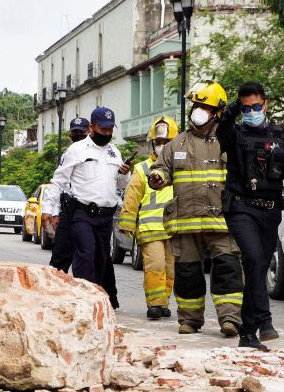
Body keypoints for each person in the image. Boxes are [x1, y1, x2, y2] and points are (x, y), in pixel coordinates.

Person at [148, 80, 244, 337]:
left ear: (218, 112)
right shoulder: (177, 144)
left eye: (205, 107)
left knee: (227, 270)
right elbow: (161, 168)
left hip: (222, 221)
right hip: (186, 221)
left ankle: (230, 319)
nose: (197, 111)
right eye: (195, 106)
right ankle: (189, 320)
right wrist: (157, 177)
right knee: (187, 273)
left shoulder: (231, 141)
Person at [217, 82, 284, 351]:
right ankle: (255, 326)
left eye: (256, 107)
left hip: (271, 211)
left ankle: (258, 326)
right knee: (253, 259)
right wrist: (233, 108)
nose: (251, 112)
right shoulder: (235, 134)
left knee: (259, 268)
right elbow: (222, 129)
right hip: (241, 209)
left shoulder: (279, 136)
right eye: (246, 108)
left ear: (266, 105)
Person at [44, 107, 131, 309]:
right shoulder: (77, 150)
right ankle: (84, 302)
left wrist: (125, 173)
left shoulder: (114, 152)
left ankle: (96, 299)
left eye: (110, 129)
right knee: (86, 254)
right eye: (103, 129)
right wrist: (48, 208)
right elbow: (59, 181)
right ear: (91, 127)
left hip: (105, 217)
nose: (107, 133)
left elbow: (120, 185)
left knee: (101, 259)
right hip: (82, 213)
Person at [118, 116, 178, 320]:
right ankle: (154, 304)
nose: (162, 146)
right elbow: (132, 197)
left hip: (174, 229)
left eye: (167, 142)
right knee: (156, 266)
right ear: (152, 143)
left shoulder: (181, 167)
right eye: (159, 142)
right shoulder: (143, 169)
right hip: (150, 228)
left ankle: (163, 303)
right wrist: (127, 224)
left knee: (170, 270)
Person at [45, 116, 91, 273]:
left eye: (81, 132)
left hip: (89, 211)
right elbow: (61, 184)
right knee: (59, 260)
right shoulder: (68, 154)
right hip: (69, 210)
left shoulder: (100, 152)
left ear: (89, 131)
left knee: (87, 261)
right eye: (75, 133)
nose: (78, 135)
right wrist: (55, 212)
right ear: (70, 134)